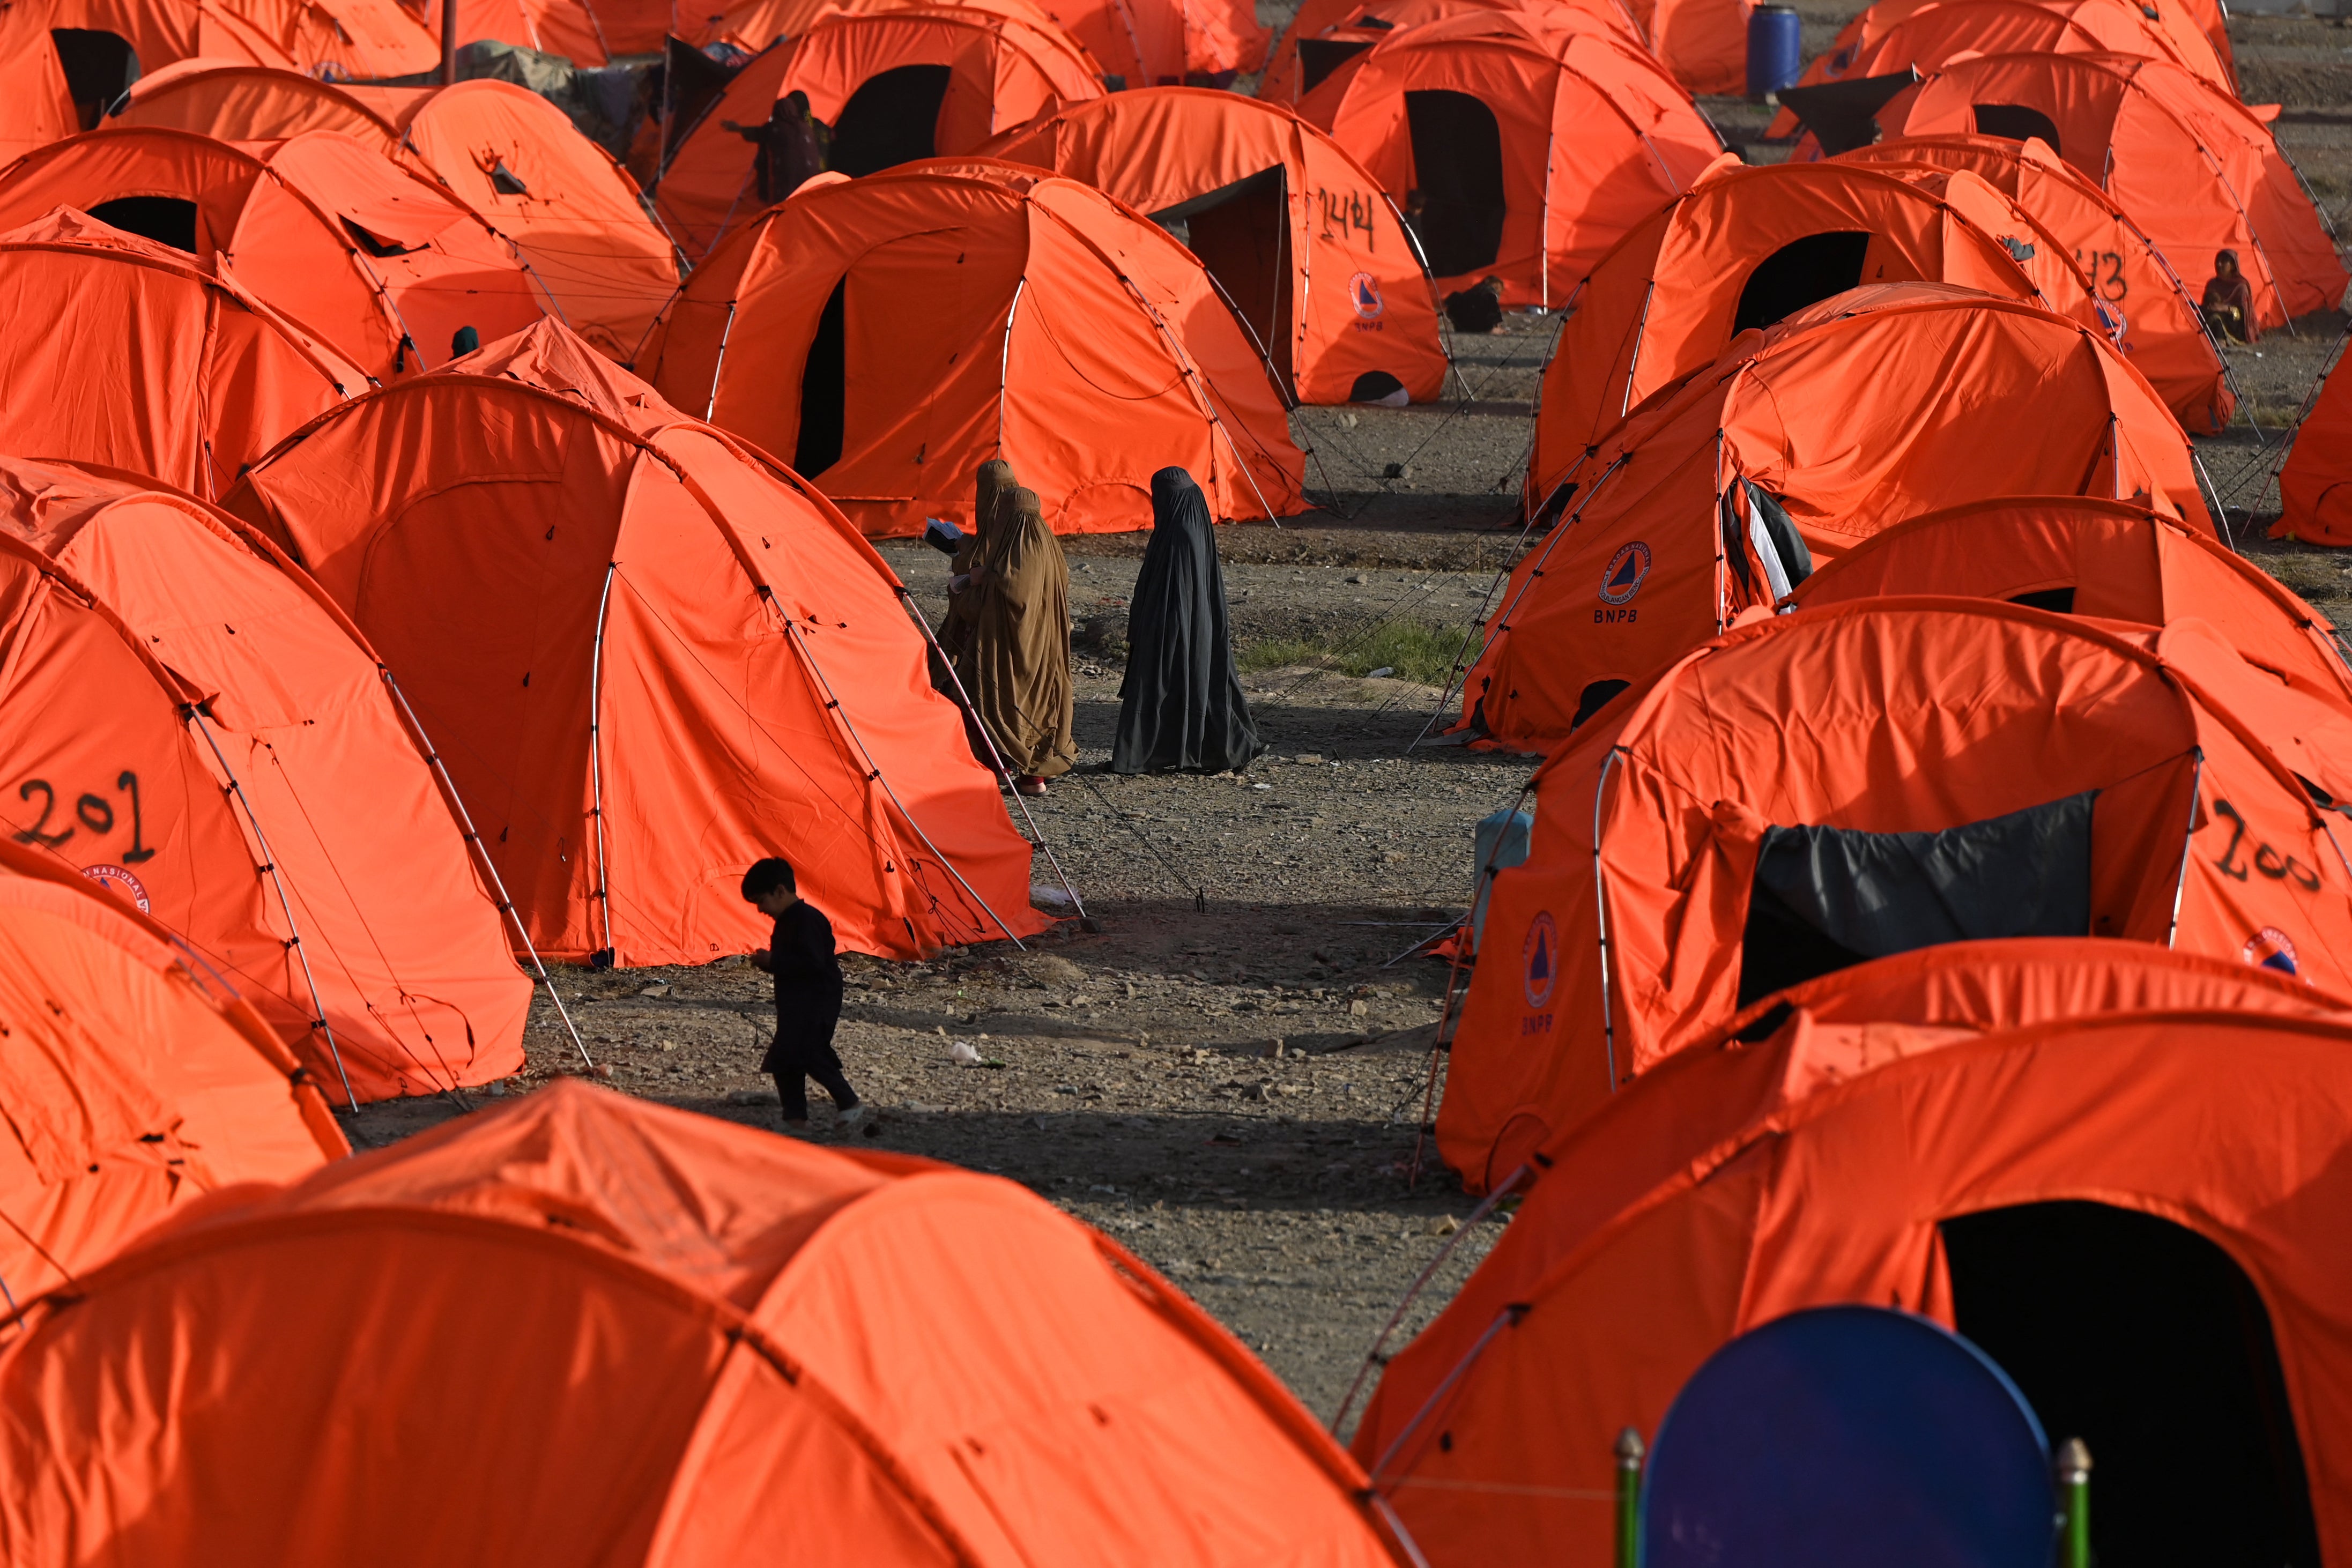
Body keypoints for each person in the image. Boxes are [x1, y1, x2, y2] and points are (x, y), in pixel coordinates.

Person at [1111, 466, 1264, 775]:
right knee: (1199, 681)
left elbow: (1176, 591)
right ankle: (1212, 752)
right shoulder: (1191, 521)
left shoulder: (1181, 531)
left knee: (1169, 680)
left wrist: (1158, 632)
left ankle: (1149, 755)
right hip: (1193, 623)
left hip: (1175, 625)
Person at [953, 485, 1076, 795]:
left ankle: (1014, 770)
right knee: (1041, 705)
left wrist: (974, 581)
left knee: (1007, 702)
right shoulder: (1050, 547)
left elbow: (1011, 593)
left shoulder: (1012, 554)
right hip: (1046, 647)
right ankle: (1036, 775)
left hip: (1010, 648)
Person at [741, 857, 864, 1131]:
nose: (761, 909)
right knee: (785, 1058)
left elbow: (812, 963)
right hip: (796, 1003)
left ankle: (849, 1104)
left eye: (762, 900)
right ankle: (795, 1118)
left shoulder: (807, 920)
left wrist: (774, 962)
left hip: (816, 1001)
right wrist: (771, 964)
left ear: (781, 891)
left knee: (809, 1053)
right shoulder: (787, 921)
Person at [723, 91, 828, 205]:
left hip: (787, 185)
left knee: (786, 202)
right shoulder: (806, 127)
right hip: (814, 184)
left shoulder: (776, 128)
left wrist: (738, 128)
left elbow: (757, 133)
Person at [2202, 249, 2258, 344]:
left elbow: (2243, 314)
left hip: (2233, 323)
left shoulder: (2241, 287)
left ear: (2232, 266)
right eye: (2217, 262)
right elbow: (2206, 304)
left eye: (2223, 262)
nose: (2219, 265)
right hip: (2211, 315)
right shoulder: (2212, 284)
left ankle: (2221, 342)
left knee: (2216, 317)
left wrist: (2226, 309)